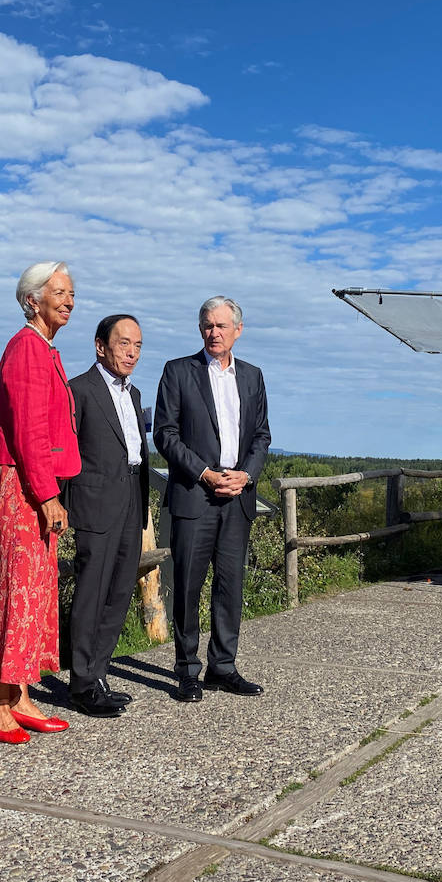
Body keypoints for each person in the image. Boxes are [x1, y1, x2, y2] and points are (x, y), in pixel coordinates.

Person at [0, 262, 81, 744]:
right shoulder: (25, 349)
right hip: (22, 481)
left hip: (32, 479)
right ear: (32, 299)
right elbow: (28, 431)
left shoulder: (43, 348)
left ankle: (20, 695)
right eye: (59, 291)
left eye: (72, 292)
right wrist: (47, 494)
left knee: (36, 587)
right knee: (17, 586)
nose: (69, 299)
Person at [154, 296, 271, 702]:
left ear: (238, 330)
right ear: (199, 328)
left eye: (221, 326)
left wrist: (246, 475)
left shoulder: (253, 377)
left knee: (230, 585)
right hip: (195, 494)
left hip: (237, 497)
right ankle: (187, 670)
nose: (213, 333)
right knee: (187, 586)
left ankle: (223, 667)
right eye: (207, 325)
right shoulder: (178, 371)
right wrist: (204, 473)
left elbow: (261, 436)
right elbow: (164, 434)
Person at [63, 314, 150, 718]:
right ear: (101, 346)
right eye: (123, 344)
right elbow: (64, 451)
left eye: (137, 345)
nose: (131, 352)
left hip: (132, 495)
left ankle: (98, 674)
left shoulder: (133, 394)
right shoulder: (79, 390)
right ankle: (81, 682)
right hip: (95, 501)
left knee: (118, 591)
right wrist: (60, 503)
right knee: (92, 592)